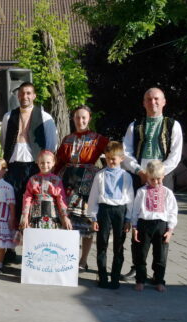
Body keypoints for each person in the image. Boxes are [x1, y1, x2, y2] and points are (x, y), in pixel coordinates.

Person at [121, 87, 183, 281]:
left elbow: (175, 154)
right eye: (148, 99)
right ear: (143, 102)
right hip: (139, 176)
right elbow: (125, 152)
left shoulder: (173, 125)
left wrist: (158, 174)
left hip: (163, 177)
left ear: (164, 102)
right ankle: (137, 267)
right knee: (138, 221)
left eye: (156, 99)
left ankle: (159, 271)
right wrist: (140, 171)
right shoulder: (135, 125)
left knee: (162, 224)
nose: (153, 102)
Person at [54, 105, 108, 271]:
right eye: (77, 117)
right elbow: (59, 161)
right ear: (73, 119)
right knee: (67, 220)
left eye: (84, 117)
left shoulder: (99, 139)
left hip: (88, 183)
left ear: (89, 118)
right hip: (68, 182)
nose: (80, 121)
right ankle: (67, 257)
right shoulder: (67, 139)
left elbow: (112, 156)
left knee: (86, 222)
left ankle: (83, 260)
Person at [0, 82, 58, 219]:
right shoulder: (8, 117)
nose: (24, 96)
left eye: (28, 93)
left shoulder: (45, 117)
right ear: (18, 95)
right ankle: (14, 236)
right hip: (14, 166)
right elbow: (4, 141)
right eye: (22, 93)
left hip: (34, 166)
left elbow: (51, 146)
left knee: (34, 203)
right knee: (13, 204)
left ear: (34, 96)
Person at [86, 141, 134, 289]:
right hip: (104, 210)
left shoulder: (126, 176)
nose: (110, 161)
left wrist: (128, 219)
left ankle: (115, 278)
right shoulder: (100, 175)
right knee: (102, 243)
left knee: (119, 245)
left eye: (113, 158)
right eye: (107, 158)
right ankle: (102, 277)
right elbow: (93, 197)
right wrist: (93, 217)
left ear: (121, 158)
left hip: (120, 211)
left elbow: (130, 198)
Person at [130, 160, 178, 292]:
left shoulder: (167, 193)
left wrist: (170, 229)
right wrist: (134, 227)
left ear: (163, 177)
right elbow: (135, 210)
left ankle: (159, 280)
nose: (156, 182)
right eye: (152, 179)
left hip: (161, 226)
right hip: (144, 225)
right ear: (147, 177)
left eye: (158, 179)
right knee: (140, 254)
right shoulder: (142, 192)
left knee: (160, 255)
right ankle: (140, 279)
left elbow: (173, 212)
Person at [19, 151, 72, 231]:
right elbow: (27, 197)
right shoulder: (33, 179)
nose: (45, 165)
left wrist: (65, 216)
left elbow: (61, 199)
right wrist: (25, 215)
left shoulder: (57, 180)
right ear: (38, 163)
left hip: (53, 214)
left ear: (53, 163)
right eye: (42, 163)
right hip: (35, 213)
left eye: (48, 162)